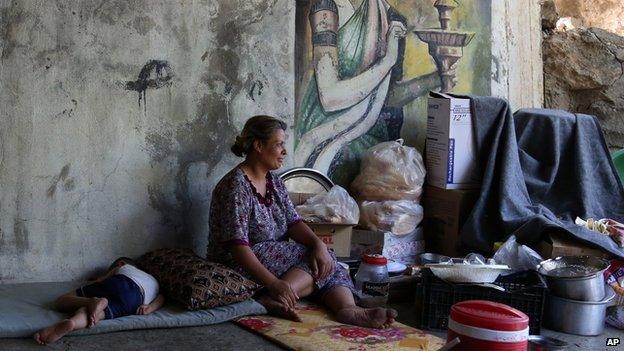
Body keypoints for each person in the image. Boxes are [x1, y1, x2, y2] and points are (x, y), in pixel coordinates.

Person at [208, 115, 396, 328]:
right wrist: (274, 283)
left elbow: (293, 222)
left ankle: (348, 309)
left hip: (270, 255)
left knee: (323, 258)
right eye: (279, 144)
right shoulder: (235, 187)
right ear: (258, 146)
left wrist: (318, 245)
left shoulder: (274, 182)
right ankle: (276, 296)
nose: (284, 151)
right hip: (239, 263)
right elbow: (238, 248)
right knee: (317, 261)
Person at [33, 257, 165, 345]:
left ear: (121, 264)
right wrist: (150, 308)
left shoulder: (124, 267)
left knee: (61, 301)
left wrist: (99, 279)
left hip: (119, 282)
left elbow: (100, 281)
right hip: (135, 298)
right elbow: (161, 298)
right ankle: (72, 323)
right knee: (96, 315)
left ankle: (90, 301)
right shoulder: (155, 282)